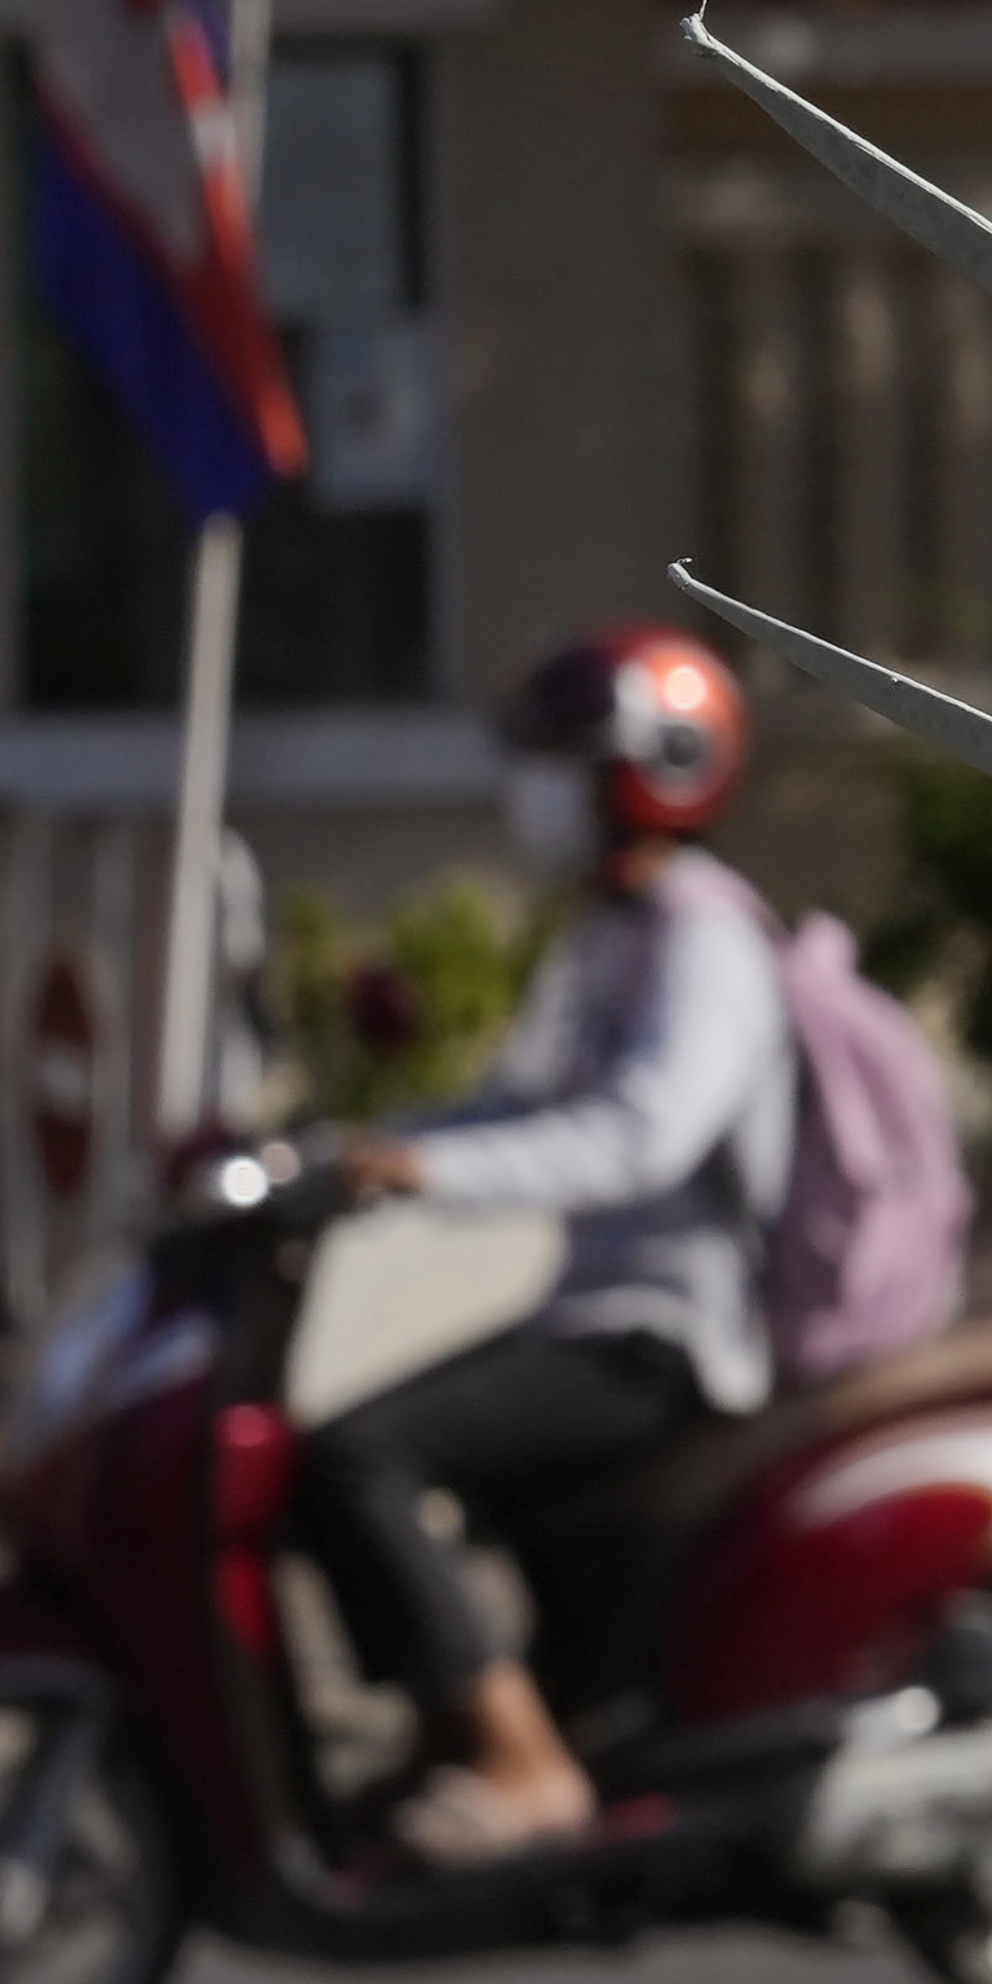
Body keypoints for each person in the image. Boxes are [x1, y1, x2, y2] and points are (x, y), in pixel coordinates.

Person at [302, 625, 794, 1865]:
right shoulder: (611, 932)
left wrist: (426, 1171)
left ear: (653, 770)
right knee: (431, 1485)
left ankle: (515, 1755)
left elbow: (641, 1139)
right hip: (596, 1311)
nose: (532, 791)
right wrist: (356, 1148)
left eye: (559, 762)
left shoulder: (706, 939)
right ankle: (485, 1722)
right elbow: (520, 1104)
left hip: (669, 1334)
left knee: (357, 1457)